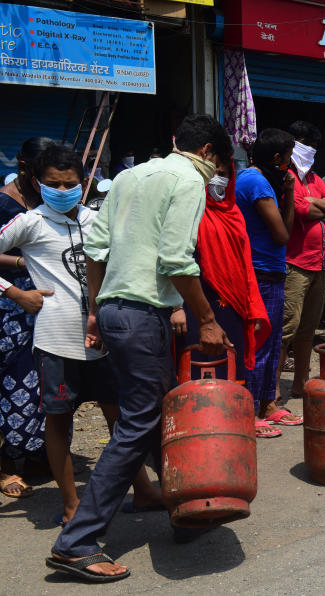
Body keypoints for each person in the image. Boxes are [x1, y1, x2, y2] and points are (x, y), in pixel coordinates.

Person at [47, 114, 234, 581]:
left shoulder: (131, 175)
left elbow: (95, 246)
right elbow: (176, 257)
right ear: (208, 153)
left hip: (114, 308)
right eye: (219, 163)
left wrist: (95, 307)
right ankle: (77, 542)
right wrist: (207, 319)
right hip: (141, 313)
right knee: (139, 422)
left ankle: (186, 507)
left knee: (155, 414)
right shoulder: (188, 178)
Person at [0, 144, 162, 525]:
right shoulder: (30, 222)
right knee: (58, 421)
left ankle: (143, 490)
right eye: (53, 184)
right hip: (55, 341)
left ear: (83, 183)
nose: (62, 190)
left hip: (103, 338)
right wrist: (15, 292)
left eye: (69, 183)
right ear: (38, 184)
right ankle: (71, 503)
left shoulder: (95, 219)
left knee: (119, 416)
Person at [174, 159, 273, 436]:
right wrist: (176, 307)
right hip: (197, 303)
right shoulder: (188, 214)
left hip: (233, 306)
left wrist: (252, 307)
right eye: (213, 174)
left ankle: (234, 425)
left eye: (224, 174)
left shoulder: (234, 213)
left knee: (232, 362)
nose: (218, 180)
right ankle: (195, 428)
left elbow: (245, 267)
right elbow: (175, 264)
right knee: (197, 363)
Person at [234, 128, 302, 430]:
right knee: (259, 344)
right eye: (288, 159)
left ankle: (268, 403)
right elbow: (282, 234)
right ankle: (250, 413)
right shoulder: (257, 183)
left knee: (272, 342)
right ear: (277, 158)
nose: (289, 165)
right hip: (260, 271)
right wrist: (288, 194)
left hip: (269, 271)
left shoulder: (254, 179)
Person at [0, 137, 53, 499]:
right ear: (25, 168)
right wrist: (24, 264)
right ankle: (5, 466)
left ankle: (34, 453)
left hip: (43, 303)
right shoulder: (3, 201)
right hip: (9, 300)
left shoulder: (51, 193)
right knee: (9, 381)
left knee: (40, 382)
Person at [281, 121, 325, 403]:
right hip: (295, 264)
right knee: (287, 329)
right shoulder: (287, 177)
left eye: (316, 147)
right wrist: (317, 205)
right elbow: (300, 209)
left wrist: (313, 203)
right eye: (308, 145)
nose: (312, 151)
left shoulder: (314, 178)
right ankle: (270, 392)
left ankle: (300, 384)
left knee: (308, 329)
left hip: (320, 264)